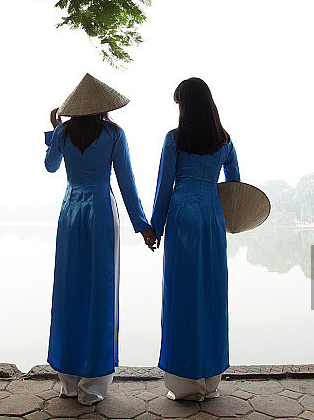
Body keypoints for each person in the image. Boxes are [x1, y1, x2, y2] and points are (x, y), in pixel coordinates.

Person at [45, 73, 157, 405]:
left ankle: (68, 380)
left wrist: (53, 127)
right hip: (102, 214)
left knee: (68, 291)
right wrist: (144, 226)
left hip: (70, 213)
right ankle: (93, 386)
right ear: (103, 106)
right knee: (101, 291)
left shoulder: (63, 133)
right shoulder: (114, 134)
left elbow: (51, 166)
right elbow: (126, 183)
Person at [150, 77, 240, 401]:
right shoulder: (225, 141)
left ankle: (185, 384)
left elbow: (164, 185)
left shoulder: (174, 139)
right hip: (213, 218)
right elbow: (235, 185)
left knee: (182, 295)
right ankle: (211, 380)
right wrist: (232, 217)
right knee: (212, 293)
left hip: (182, 217)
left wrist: (154, 228)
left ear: (186, 106)